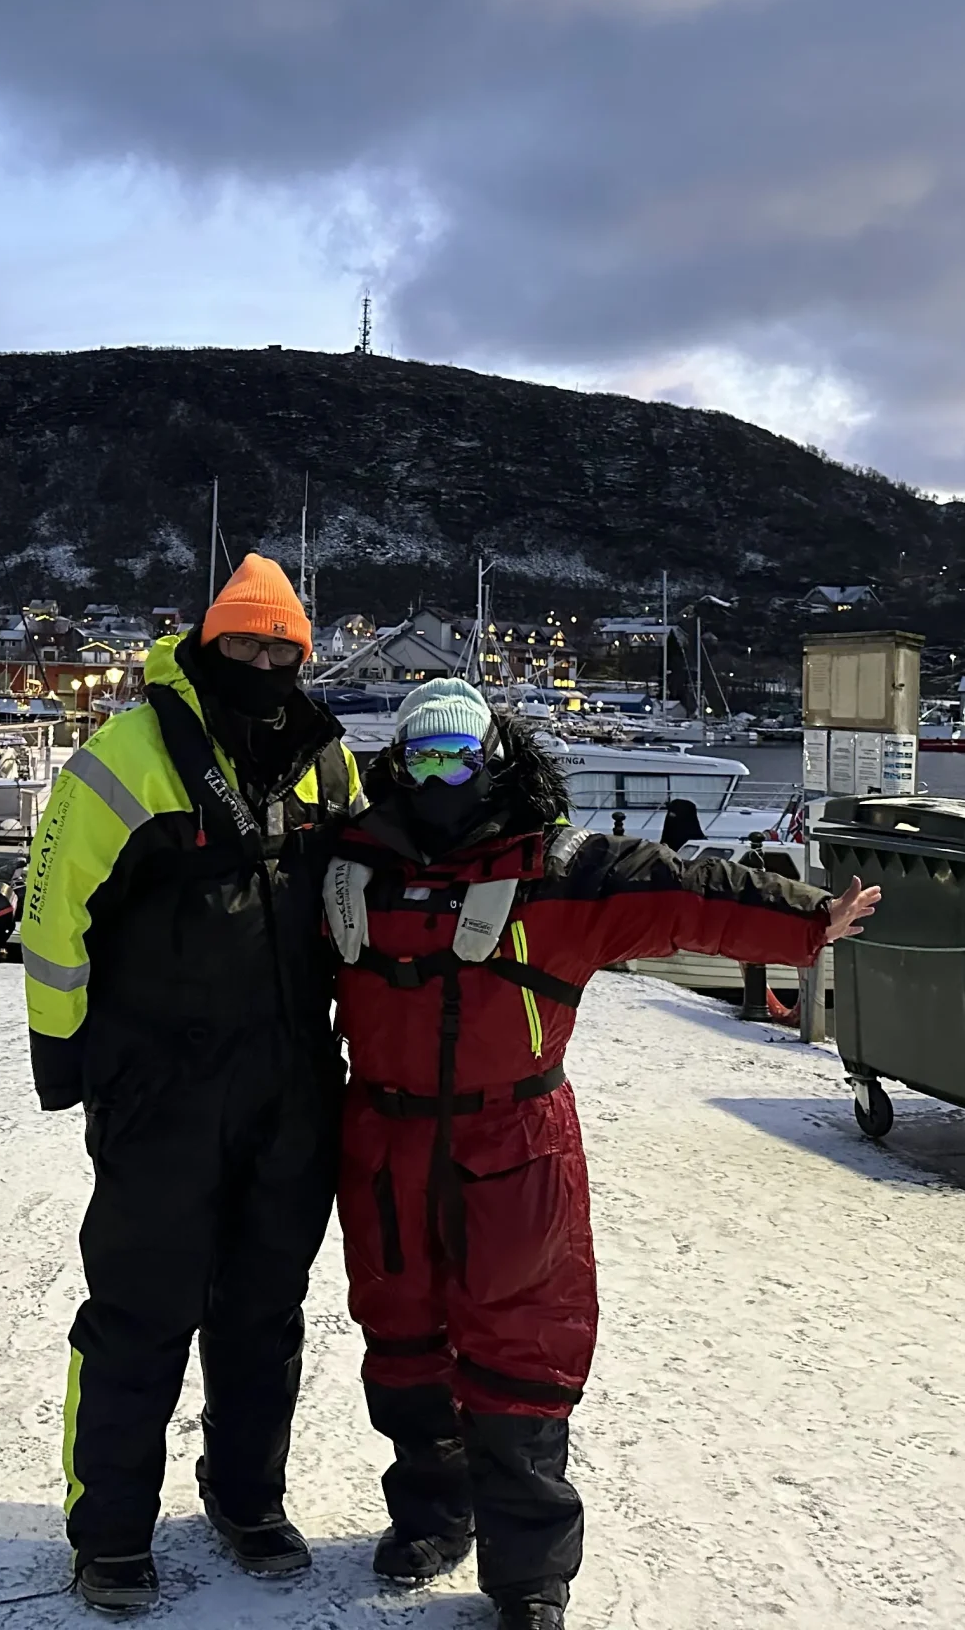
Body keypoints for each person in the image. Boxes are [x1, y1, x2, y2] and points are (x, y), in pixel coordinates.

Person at [313, 678, 878, 1630]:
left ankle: (530, 1574)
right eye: (423, 758)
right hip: (380, 1143)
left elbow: (684, 894)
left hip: (515, 1146)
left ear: (493, 762)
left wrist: (807, 920)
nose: (441, 776)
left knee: (520, 1351)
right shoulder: (344, 868)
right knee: (401, 1340)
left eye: (460, 757)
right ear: (395, 767)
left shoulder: (561, 873)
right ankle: (431, 1519)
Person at [17, 553, 364, 1616]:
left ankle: (246, 1497)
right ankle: (110, 1529)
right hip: (159, 1084)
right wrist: (62, 1053)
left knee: (266, 1307)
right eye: (246, 645)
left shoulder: (325, 759)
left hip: (292, 1077)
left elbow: (375, 886)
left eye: (281, 648)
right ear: (208, 647)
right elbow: (50, 914)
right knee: (140, 1308)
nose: (263, 662)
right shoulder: (123, 756)